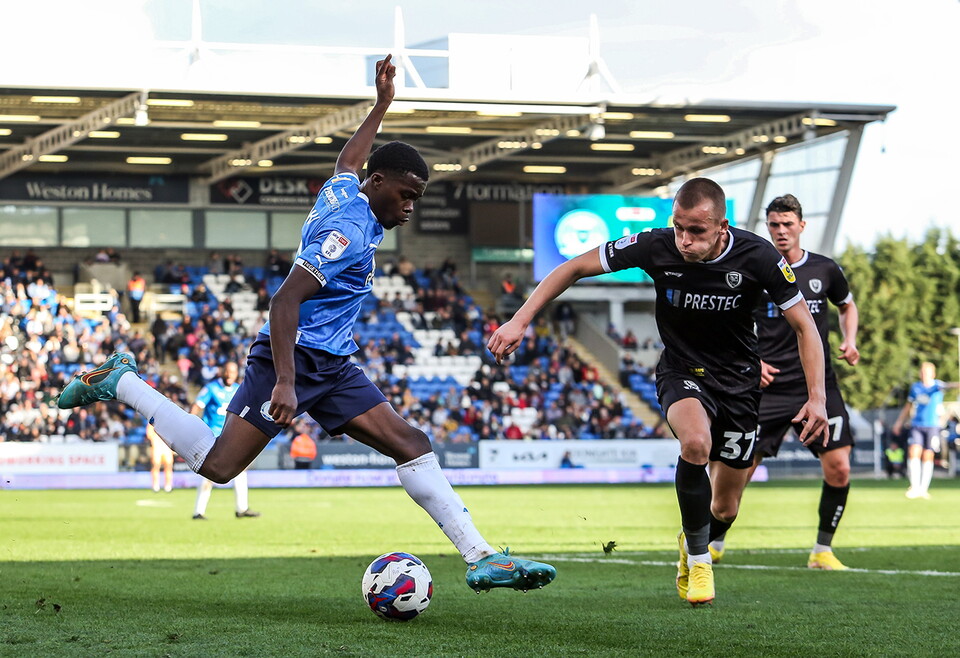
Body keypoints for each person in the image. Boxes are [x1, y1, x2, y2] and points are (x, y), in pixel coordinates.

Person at [56, 54, 554, 595]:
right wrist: (288, 381)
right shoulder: (346, 229)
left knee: (411, 441)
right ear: (380, 183)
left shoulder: (346, 189)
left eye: (418, 198)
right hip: (291, 357)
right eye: (406, 195)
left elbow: (349, 159)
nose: (410, 207)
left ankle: (480, 556)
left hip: (335, 362)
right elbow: (284, 301)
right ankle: (123, 383)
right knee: (220, 467)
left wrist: (382, 104)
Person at [487, 177, 828, 606]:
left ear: (722, 225)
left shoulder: (757, 255)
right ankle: (701, 562)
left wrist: (816, 398)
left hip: (741, 383)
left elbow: (805, 327)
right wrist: (519, 320)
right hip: (682, 371)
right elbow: (571, 266)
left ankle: (692, 539)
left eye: (697, 231)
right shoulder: (655, 245)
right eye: (679, 227)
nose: (684, 240)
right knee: (696, 443)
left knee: (724, 509)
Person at [708, 193, 860, 571]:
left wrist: (850, 338)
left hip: (816, 387)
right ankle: (713, 542)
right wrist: (752, 359)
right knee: (735, 479)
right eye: (773, 225)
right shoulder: (756, 272)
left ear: (801, 227)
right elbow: (727, 322)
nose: (780, 231)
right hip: (763, 390)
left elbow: (847, 305)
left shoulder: (825, 270)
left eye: (787, 224)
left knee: (839, 467)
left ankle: (822, 550)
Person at [191, 362, 259, 520]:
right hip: (211, 436)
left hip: (231, 436)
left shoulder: (238, 389)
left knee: (241, 470)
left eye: (233, 372)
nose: (229, 375)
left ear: (237, 374)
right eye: (227, 372)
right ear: (222, 372)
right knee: (209, 473)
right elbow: (197, 406)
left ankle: (242, 508)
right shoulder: (211, 388)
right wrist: (191, 425)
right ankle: (198, 511)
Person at [892, 362, 952, 499]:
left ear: (933, 374)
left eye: (927, 372)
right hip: (916, 425)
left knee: (928, 455)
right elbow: (908, 407)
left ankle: (923, 489)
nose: (924, 375)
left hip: (932, 426)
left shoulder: (938, 386)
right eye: (922, 372)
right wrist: (899, 423)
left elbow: (950, 385)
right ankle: (914, 486)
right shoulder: (915, 387)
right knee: (914, 452)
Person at [147, 422, 174, 493]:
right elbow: (149, 434)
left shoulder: (168, 423)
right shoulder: (152, 422)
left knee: (168, 466)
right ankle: (155, 485)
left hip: (166, 447)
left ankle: (168, 485)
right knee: (156, 465)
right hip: (157, 446)